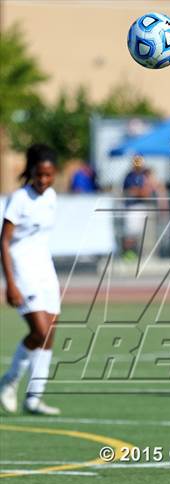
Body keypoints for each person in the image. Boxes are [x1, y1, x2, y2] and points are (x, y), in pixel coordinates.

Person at [0, 144, 61, 415]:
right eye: (39, 174)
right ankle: (9, 382)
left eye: (49, 175)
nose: (44, 180)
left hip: (44, 269)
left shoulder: (52, 197)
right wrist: (10, 283)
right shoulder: (19, 199)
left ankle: (34, 397)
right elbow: (5, 241)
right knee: (38, 330)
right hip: (21, 269)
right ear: (31, 171)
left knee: (49, 333)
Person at [121, 155, 168, 259]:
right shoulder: (130, 176)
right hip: (133, 207)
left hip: (144, 206)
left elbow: (154, 188)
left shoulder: (144, 175)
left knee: (146, 234)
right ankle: (128, 254)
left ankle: (145, 255)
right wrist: (142, 191)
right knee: (131, 232)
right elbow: (135, 191)